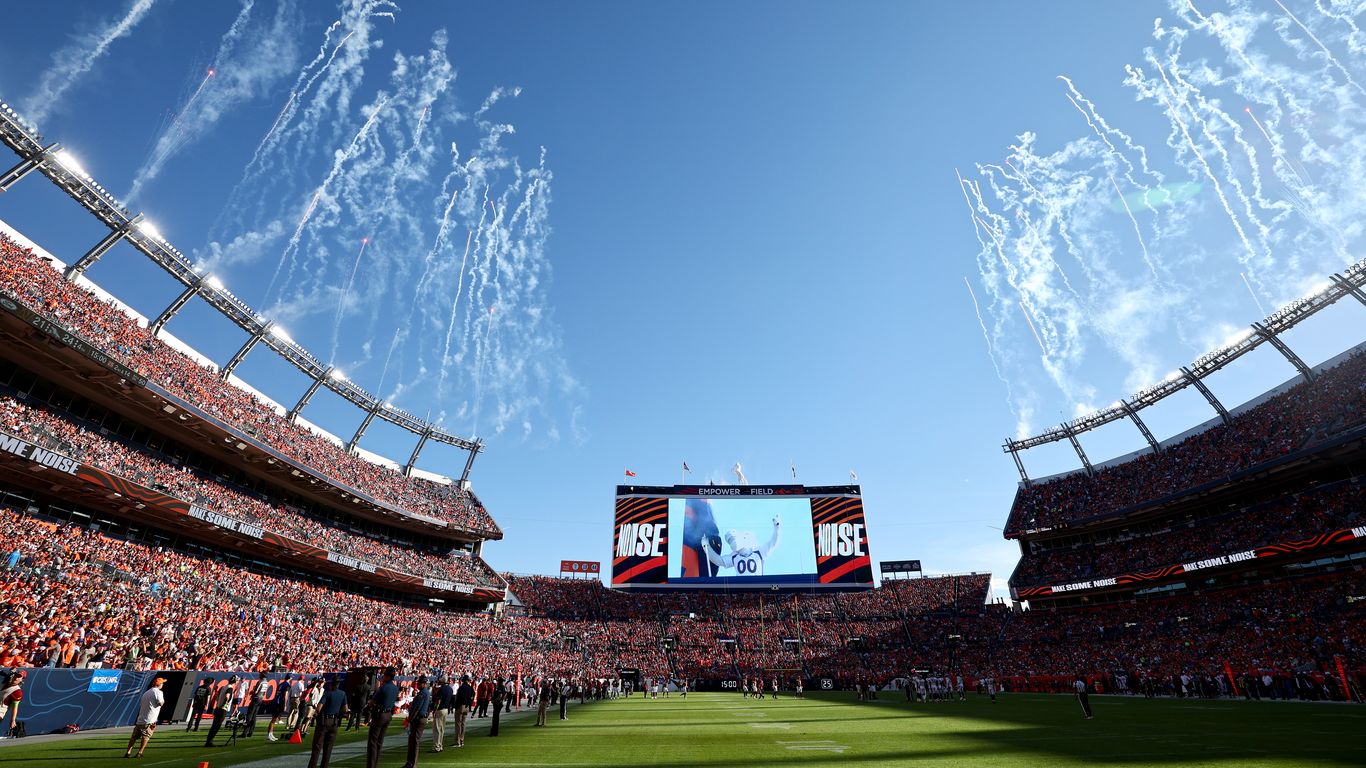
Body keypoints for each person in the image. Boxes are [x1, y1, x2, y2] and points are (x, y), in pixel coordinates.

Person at [307, 678, 348, 768]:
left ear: (331, 685)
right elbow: (345, 709)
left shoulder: (327, 693)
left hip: (324, 721)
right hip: (334, 722)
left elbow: (318, 708)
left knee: (317, 747)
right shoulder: (342, 694)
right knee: (328, 748)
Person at [125, 677, 166, 758]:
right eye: (162, 683)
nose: (163, 685)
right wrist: (163, 701)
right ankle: (140, 753)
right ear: (159, 684)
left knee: (134, 737)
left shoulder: (147, 692)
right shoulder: (158, 692)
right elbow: (160, 703)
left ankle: (128, 752)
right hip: (149, 719)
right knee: (146, 736)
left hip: (141, 718)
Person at [366, 668, 398, 768]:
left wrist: (369, 704)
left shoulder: (384, 687)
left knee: (373, 742)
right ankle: (375, 764)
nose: (383, 677)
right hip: (388, 715)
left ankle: (371, 765)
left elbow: (372, 702)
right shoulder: (395, 688)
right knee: (379, 742)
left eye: (384, 675)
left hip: (380, 715)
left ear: (388, 676)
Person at [402, 676, 432, 768]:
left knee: (414, 741)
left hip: (418, 719)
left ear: (423, 684)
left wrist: (409, 720)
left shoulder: (423, 693)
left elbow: (416, 709)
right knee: (412, 740)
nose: (418, 684)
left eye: (419, 683)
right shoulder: (425, 693)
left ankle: (413, 764)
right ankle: (410, 762)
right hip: (420, 718)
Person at [204, 678, 234, 747]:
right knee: (217, 725)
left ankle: (208, 741)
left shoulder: (223, 687)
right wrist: (224, 704)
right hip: (222, 709)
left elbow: (217, 697)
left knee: (214, 725)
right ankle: (209, 742)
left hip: (218, 708)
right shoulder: (230, 688)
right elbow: (227, 696)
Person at [430, 677, 451, 753]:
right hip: (446, 709)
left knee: (437, 729)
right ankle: (440, 745)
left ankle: (437, 746)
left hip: (440, 709)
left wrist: (434, 709)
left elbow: (437, 700)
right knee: (442, 729)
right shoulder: (450, 689)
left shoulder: (441, 689)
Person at [243, 671, 268, 737]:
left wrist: (252, 692)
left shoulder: (260, 682)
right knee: (254, 716)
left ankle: (245, 732)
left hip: (256, 698)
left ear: (262, 675)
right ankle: (251, 732)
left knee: (249, 715)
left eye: (260, 674)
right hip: (260, 699)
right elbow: (264, 692)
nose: (259, 675)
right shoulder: (266, 682)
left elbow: (256, 691)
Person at [454, 674, 474, 748]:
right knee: (463, 723)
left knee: (458, 724)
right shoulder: (470, 688)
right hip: (466, 706)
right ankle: (462, 740)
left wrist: (456, 706)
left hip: (461, 706)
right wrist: (469, 703)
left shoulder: (461, 688)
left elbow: (458, 698)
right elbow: (473, 695)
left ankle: (458, 741)